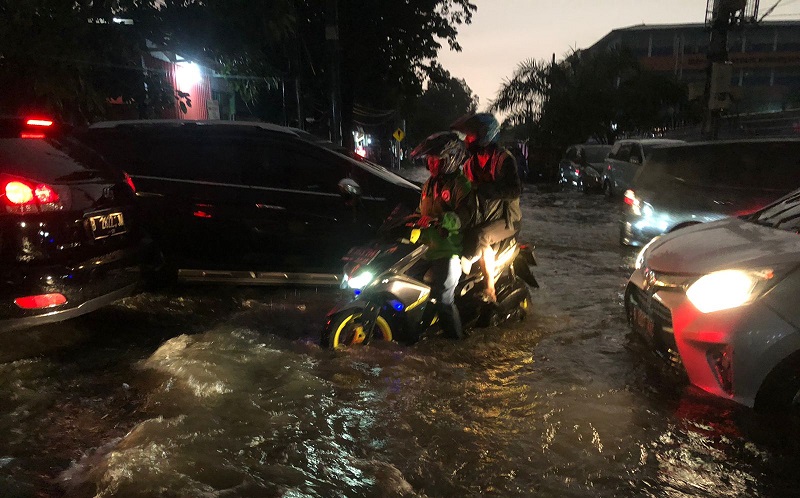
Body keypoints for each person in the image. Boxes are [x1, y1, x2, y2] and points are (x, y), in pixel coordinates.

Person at [409, 131, 476, 340]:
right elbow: (421, 211)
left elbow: (465, 215)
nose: (431, 164)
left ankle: (457, 342)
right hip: (425, 249)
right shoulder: (429, 184)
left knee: (444, 298)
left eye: (436, 159)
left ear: (451, 159)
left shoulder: (461, 185)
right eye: (429, 159)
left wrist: (444, 221)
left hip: (448, 251)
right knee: (407, 283)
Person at [451, 112, 522, 303]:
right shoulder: (470, 163)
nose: (468, 139)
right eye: (468, 135)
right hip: (482, 216)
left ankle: (490, 289)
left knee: (481, 236)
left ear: (486, 134)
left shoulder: (503, 159)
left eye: (472, 135)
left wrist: (486, 190)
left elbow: (515, 190)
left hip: (507, 219)